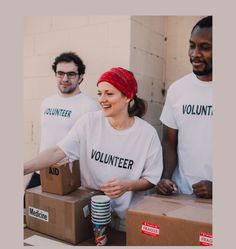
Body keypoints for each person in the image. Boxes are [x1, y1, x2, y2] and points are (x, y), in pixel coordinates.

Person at [24, 67, 163, 231]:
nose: (102, 99)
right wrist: (23, 168)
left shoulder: (147, 134)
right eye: (99, 93)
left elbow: (151, 179)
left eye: (109, 94)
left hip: (124, 220)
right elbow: (57, 151)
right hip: (88, 212)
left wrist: (127, 185)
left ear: (128, 97)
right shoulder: (89, 122)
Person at [156, 16, 213, 199]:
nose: (195, 54)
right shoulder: (178, 89)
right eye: (192, 45)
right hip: (182, 195)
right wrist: (165, 178)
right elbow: (169, 142)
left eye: (205, 47)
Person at [25, 51, 99, 190]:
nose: (65, 78)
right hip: (40, 171)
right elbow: (44, 137)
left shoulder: (89, 106)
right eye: (60, 73)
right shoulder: (47, 102)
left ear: (81, 77)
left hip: (68, 175)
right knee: (28, 209)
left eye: (71, 74)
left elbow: (93, 146)